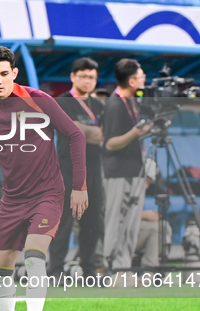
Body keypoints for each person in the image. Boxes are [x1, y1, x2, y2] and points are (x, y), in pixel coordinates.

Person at [0, 46, 87, 311]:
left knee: (34, 257)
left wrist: (80, 187)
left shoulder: (39, 100)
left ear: (14, 74)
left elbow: (75, 136)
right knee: (0, 268)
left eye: (4, 74)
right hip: (12, 199)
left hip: (48, 193)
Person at [49, 57, 104, 281]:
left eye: (91, 77)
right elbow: (74, 134)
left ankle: (89, 271)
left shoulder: (99, 105)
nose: (88, 81)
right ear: (73, 77)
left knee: (92, 224)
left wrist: (85, 131)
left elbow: (103, 136)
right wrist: (89, 133)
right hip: (67, 171)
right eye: (83, 76)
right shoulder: (61, 103)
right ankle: (56, 272)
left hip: (93, 170)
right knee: (62, 224)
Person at [102, 59, 152, 286]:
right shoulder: (114, 104)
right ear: (132, 81)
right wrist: (135, 132)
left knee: (130, 222)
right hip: (118, 173)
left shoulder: (132, 102)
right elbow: (111, 143)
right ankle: (114, 269)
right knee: (117, 221)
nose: (144, 81)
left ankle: (125, 267)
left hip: (134, 170)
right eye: (142, 77)